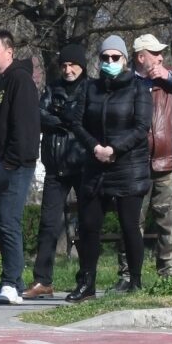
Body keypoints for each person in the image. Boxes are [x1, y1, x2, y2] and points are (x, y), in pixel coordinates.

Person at [67, 36, 153, 301]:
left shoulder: (139, 89)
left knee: (129, 225)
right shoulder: (89, 88)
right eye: (105, 58)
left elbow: (141, 127)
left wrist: (114, 149)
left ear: (125, 60)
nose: (110, 62)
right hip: (95, 166)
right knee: (89, 224)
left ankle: (134, 280)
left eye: (115, 57)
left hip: (128, 165)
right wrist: (96, 148)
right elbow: (76, 123)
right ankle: (87, 282)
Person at [0, 29, 41, 304]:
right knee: (1, 222)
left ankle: (10, 282)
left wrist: (10, 163)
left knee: (8, 222)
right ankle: (14, 282)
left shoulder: (20, 81)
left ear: (9, 51)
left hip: (16, 166)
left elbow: (25, 128)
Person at [25, 43, 88, 299]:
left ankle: (86, 278)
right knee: (48, 225)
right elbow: (39, 115)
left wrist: (62, 117)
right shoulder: (52, 88)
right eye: (63, 65)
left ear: (82, 65)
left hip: (82, 164)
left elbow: (83, 117)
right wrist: (64, 120)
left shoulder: (90, 88)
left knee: (87, 224)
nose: (67, 69)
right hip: (55, 165)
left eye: (72, 64)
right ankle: (42, 281)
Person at [132, 34, 172, 278]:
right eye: (155, 53)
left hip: (166, 161)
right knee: (131, 222)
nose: (161, 57)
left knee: (169, 223)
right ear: (141, 57)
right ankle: (129, 275)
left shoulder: (171, 77)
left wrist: (169, 77)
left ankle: (168, 273)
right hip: (134, 165)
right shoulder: (126, 82)